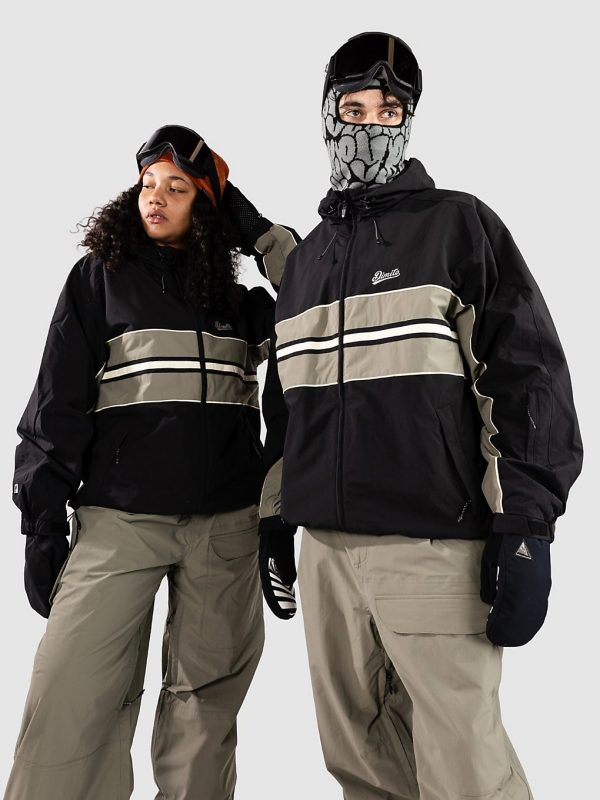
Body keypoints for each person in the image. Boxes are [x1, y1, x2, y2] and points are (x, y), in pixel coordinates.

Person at [263, 32, 583, 799]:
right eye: (355, 109)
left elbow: (527, 379)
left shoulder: (457, 227)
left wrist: (526, 527)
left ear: (408, 121)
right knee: (360, 761)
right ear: (327, 115)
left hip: (432, 547)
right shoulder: (306, 264)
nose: (371, 126)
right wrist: (275, 516)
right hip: (326, 555)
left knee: (465, 770)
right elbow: (287, 410)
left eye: (389, 112)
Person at [5, 124, 298, 800]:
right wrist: (42, 523)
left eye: (177, 188)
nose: (156, 198)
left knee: (206, 706)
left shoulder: (240, 305)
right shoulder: (100, 281)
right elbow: (56, 403)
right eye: (147, 185)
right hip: (121, 521)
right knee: (72, 695)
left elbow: (320, 304)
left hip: (225, 527)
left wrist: (260, 234)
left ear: (208, 209)